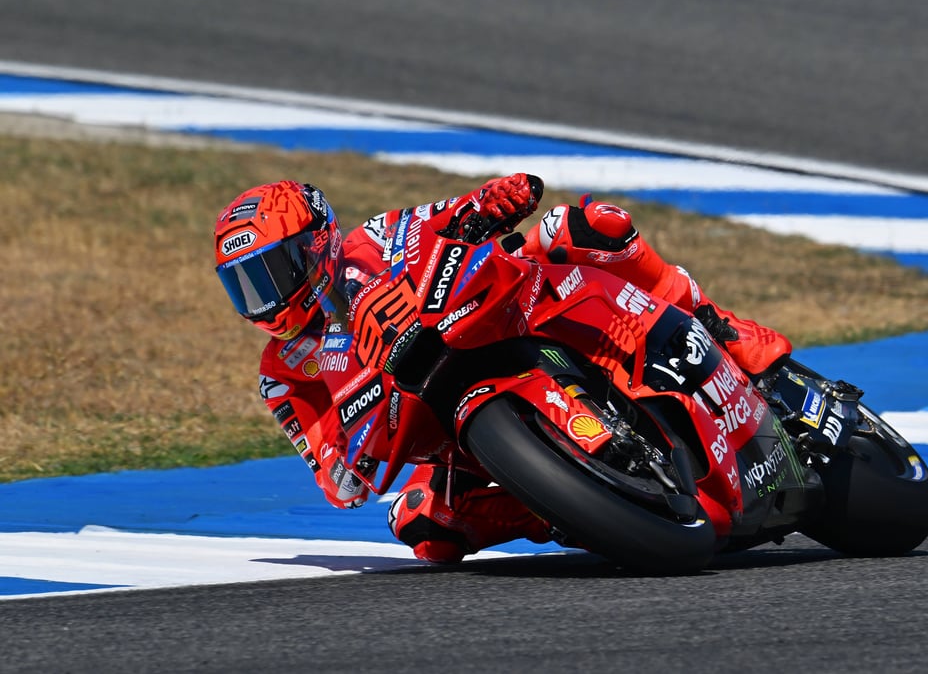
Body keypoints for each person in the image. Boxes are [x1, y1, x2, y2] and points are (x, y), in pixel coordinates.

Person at [213, 173, 791, 563]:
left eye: (270, 272)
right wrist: (356, 411)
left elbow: (452, 216)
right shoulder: (283, 373)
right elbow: (340, 484)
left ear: (315, 246)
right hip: (437, 428)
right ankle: (571, 505)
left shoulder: (378, 237)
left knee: (585, 225)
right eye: (244, 286)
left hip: (509, 313)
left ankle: (722, 327)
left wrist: (495, 200)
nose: (263, 299)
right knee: (424, 528)